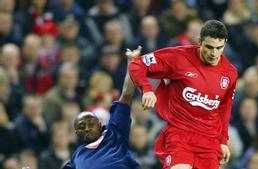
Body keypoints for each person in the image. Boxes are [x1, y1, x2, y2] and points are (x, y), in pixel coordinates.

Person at [128, 20, 238, 169]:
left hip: (209, 140)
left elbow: (224, 108)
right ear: (199, 42)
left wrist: (223, 141)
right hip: (180, 134)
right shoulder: (178, 57)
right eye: (209, 47)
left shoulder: (230, 73)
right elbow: (137, 64)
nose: (214, 53)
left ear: (225, 43)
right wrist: (147, 89)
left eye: (219, 48)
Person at [62, 47, 142, 169]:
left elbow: (126, 95)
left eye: (91, 123)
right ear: (77, 134)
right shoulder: (76, 157)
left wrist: (131, 62)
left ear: (100, 125)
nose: (87, 128)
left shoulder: (115, 133)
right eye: (82, 127)